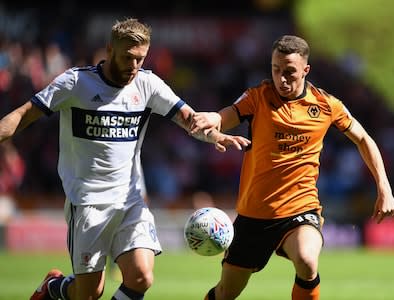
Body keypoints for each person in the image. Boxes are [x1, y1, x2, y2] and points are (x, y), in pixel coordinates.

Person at [0, 18, 250, 300]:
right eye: (127, 58)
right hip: (88, 202)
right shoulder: (76, 82)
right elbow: (23, 114)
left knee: (142, 276)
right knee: (88, 294)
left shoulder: (148, 85)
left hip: (130, 200)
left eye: (140, 59)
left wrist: (216, 135)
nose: (133, 66)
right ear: (110, 50)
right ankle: (53, 288)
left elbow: (189, 119)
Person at [190, 35, 394, 300]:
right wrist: (214, 117)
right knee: (226, 293)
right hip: (254, 214)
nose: (281, 79)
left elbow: (363, 139)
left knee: (307, 261)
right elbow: (227, 115)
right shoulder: (258, 97)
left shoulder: (326, 105)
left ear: (305, 70)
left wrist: (384, 188)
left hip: (300, 208)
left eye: (289, 72)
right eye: (276, 70)